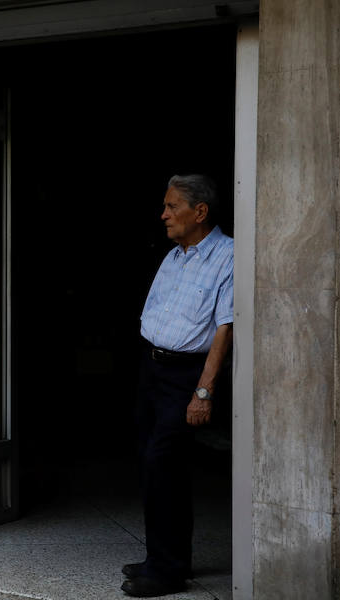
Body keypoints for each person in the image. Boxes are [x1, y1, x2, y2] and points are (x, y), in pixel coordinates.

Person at [122, 174, 234, 598]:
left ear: (199, 212)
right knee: (154, 468)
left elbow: (225, 329)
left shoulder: (228, 255)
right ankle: (164, 559)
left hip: (187, 375)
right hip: (153, 369)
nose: (164, 215)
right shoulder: (174, 255)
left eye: (172, 207)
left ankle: (166, 572)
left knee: (163, 461)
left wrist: (203, 392)